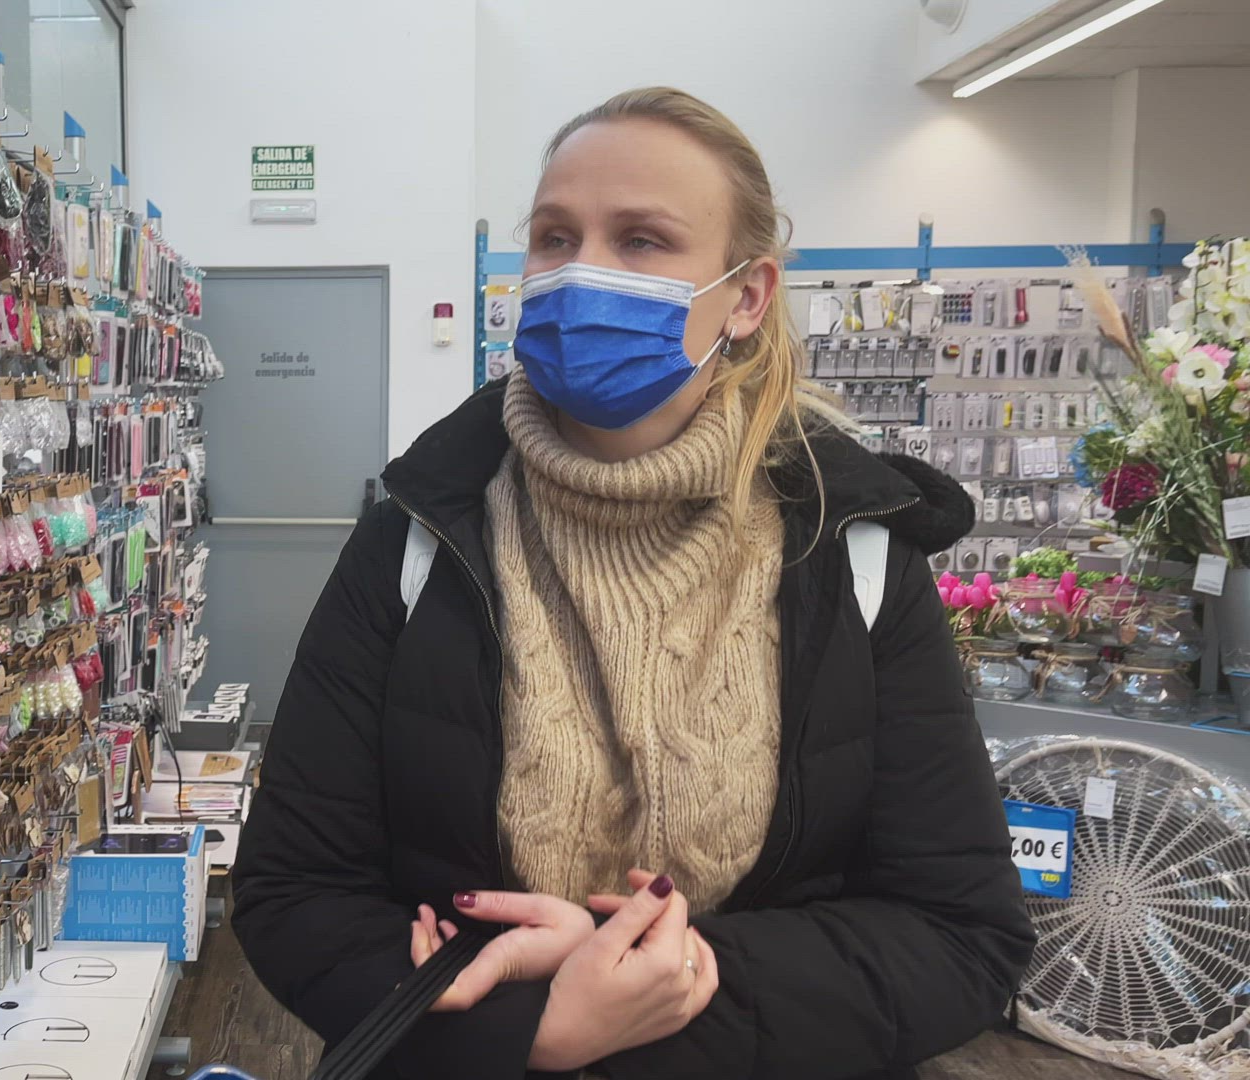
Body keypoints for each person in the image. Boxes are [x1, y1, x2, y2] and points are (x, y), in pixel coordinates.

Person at [231, 87, 1034, 1080]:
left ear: (747, 296)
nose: (583, 273)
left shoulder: (855, 555)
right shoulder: (417, 534)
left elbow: (959, 932)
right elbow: (294, 892)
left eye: (642, 240)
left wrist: (656, 985)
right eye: (554, 237)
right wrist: (528, 1033)